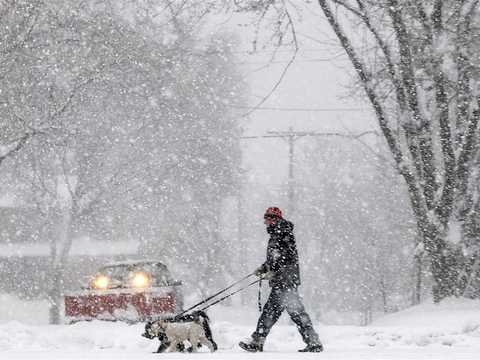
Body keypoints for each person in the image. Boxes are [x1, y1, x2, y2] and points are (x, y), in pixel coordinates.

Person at [239, 206, 323, 353]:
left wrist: (274, 272)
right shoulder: (277, 233)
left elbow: (285, 257)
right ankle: (312, 342)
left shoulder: (282, 232)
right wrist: (264, 268)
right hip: (283, 280)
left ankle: (258, 340)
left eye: (266, 220)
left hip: (285, 281)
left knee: (285, 312)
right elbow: (276, 259)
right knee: (284, 312)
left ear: (273, 219)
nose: (265, 223)